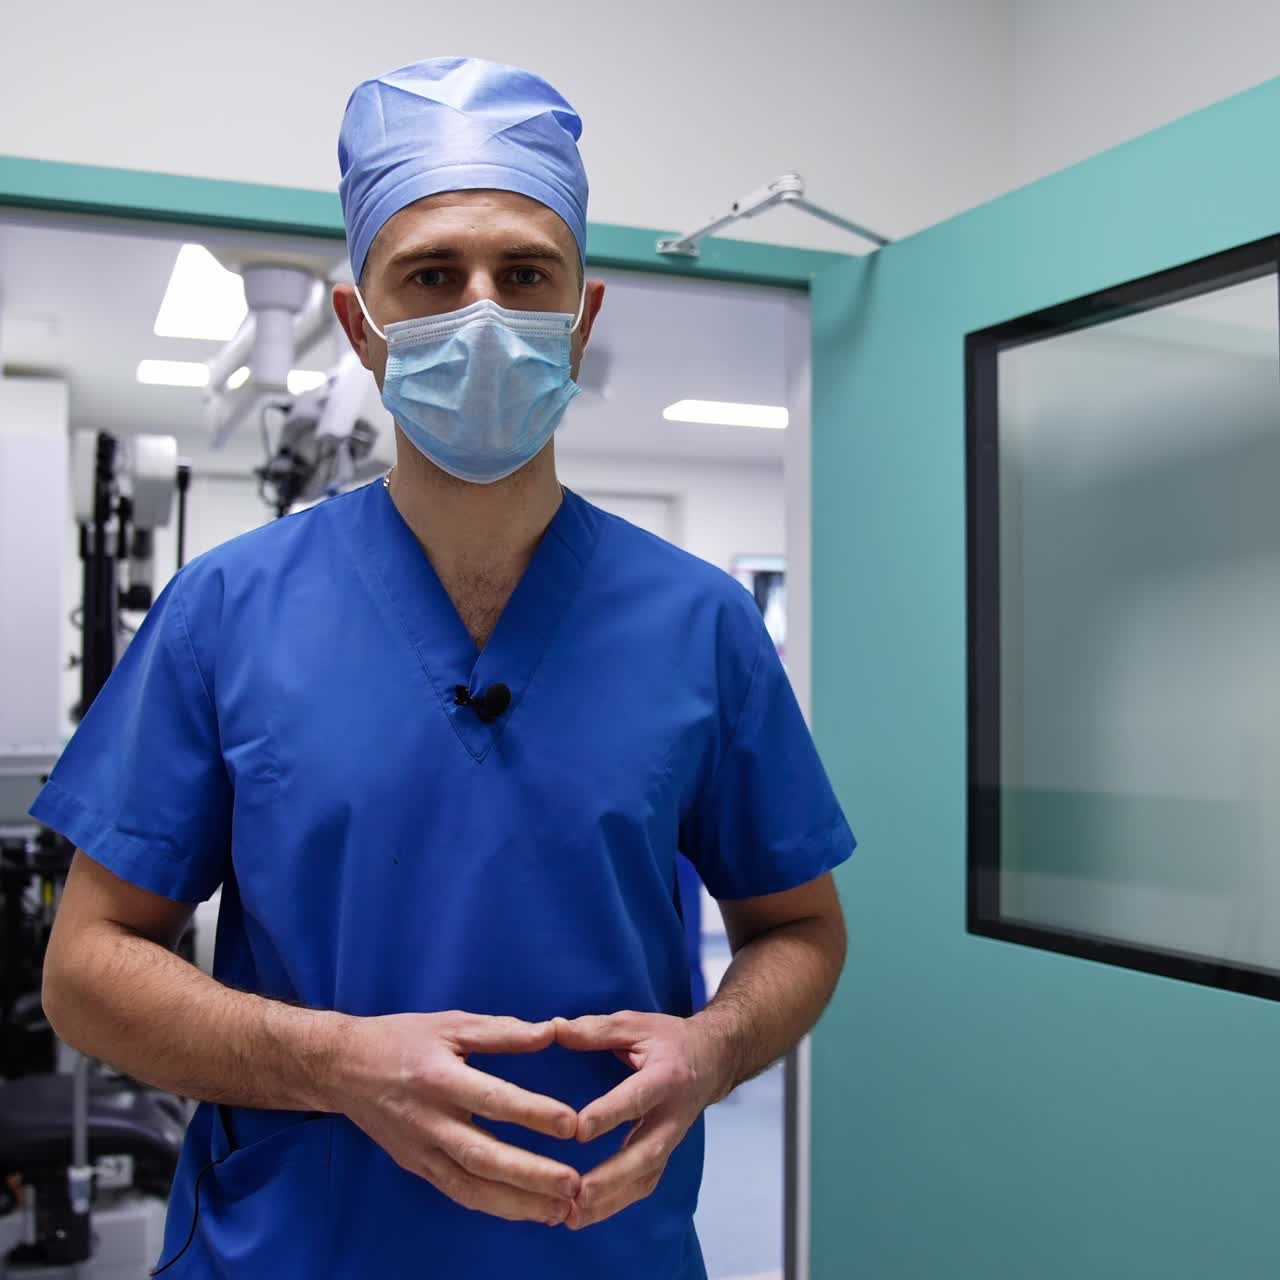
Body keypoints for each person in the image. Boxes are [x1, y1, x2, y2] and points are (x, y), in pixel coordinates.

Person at [32, 56, 855, 1279]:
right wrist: (335, 1063)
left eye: (525, 271)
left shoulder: (700, 624)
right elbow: (87, 971)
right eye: (431, 274)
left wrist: (717, 1044)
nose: (481, 311)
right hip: (297, 1248)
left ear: (581, 314)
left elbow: (798, 928)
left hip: (602, 1246)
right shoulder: (226, 611)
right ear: (362, 325)